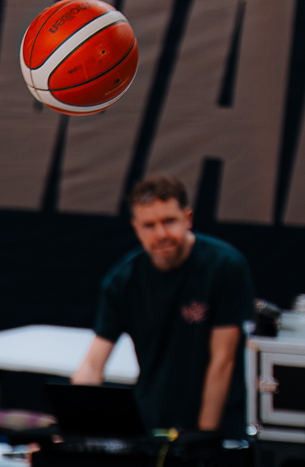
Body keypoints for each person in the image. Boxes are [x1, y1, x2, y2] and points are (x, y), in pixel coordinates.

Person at [72, 174, 256, 435]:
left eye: (169, 221)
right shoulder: (123, 280)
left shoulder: (225, 267)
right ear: (136, 228)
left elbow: (222, 361)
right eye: (149, 225)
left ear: (187, 218)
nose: (161, 234)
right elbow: (93, 364)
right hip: (154, 423)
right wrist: (73, 423)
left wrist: (203, 437)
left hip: (218, 428)